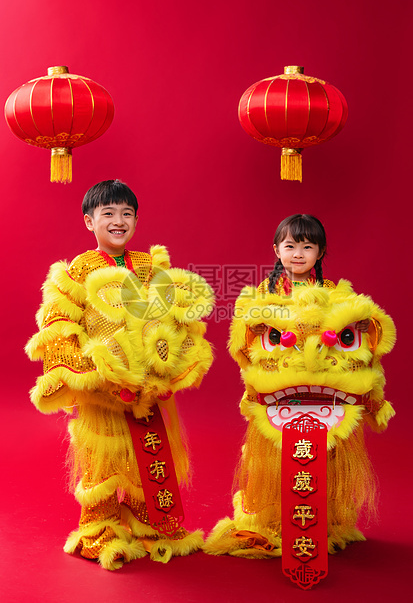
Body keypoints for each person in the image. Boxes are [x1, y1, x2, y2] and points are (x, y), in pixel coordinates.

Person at [26, 179, 214, 570]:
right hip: (104, 383)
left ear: (136, 220)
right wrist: (91, 373)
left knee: (151, 454)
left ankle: (150, 522)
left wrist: (171, 366)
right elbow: (60, 322)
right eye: (108, 214)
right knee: (104, 458)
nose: (118, 221)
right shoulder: (77, 269)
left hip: (148, 383)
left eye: (126, 214)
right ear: (88, 222)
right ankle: (101, 527)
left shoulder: (150, 266)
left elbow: (175, 319)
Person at [204, 213, 395, 562]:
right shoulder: (259, 295)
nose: (298, 254)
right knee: (275, 461)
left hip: (324, 398)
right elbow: (244, 347)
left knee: (324, 460)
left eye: (307, 246)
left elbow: (357, 346)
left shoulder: (337, 295)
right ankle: (275, 519)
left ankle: (319, 521)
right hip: (280, 398)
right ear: (276, 249)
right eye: (290, 245)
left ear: (320, 253)